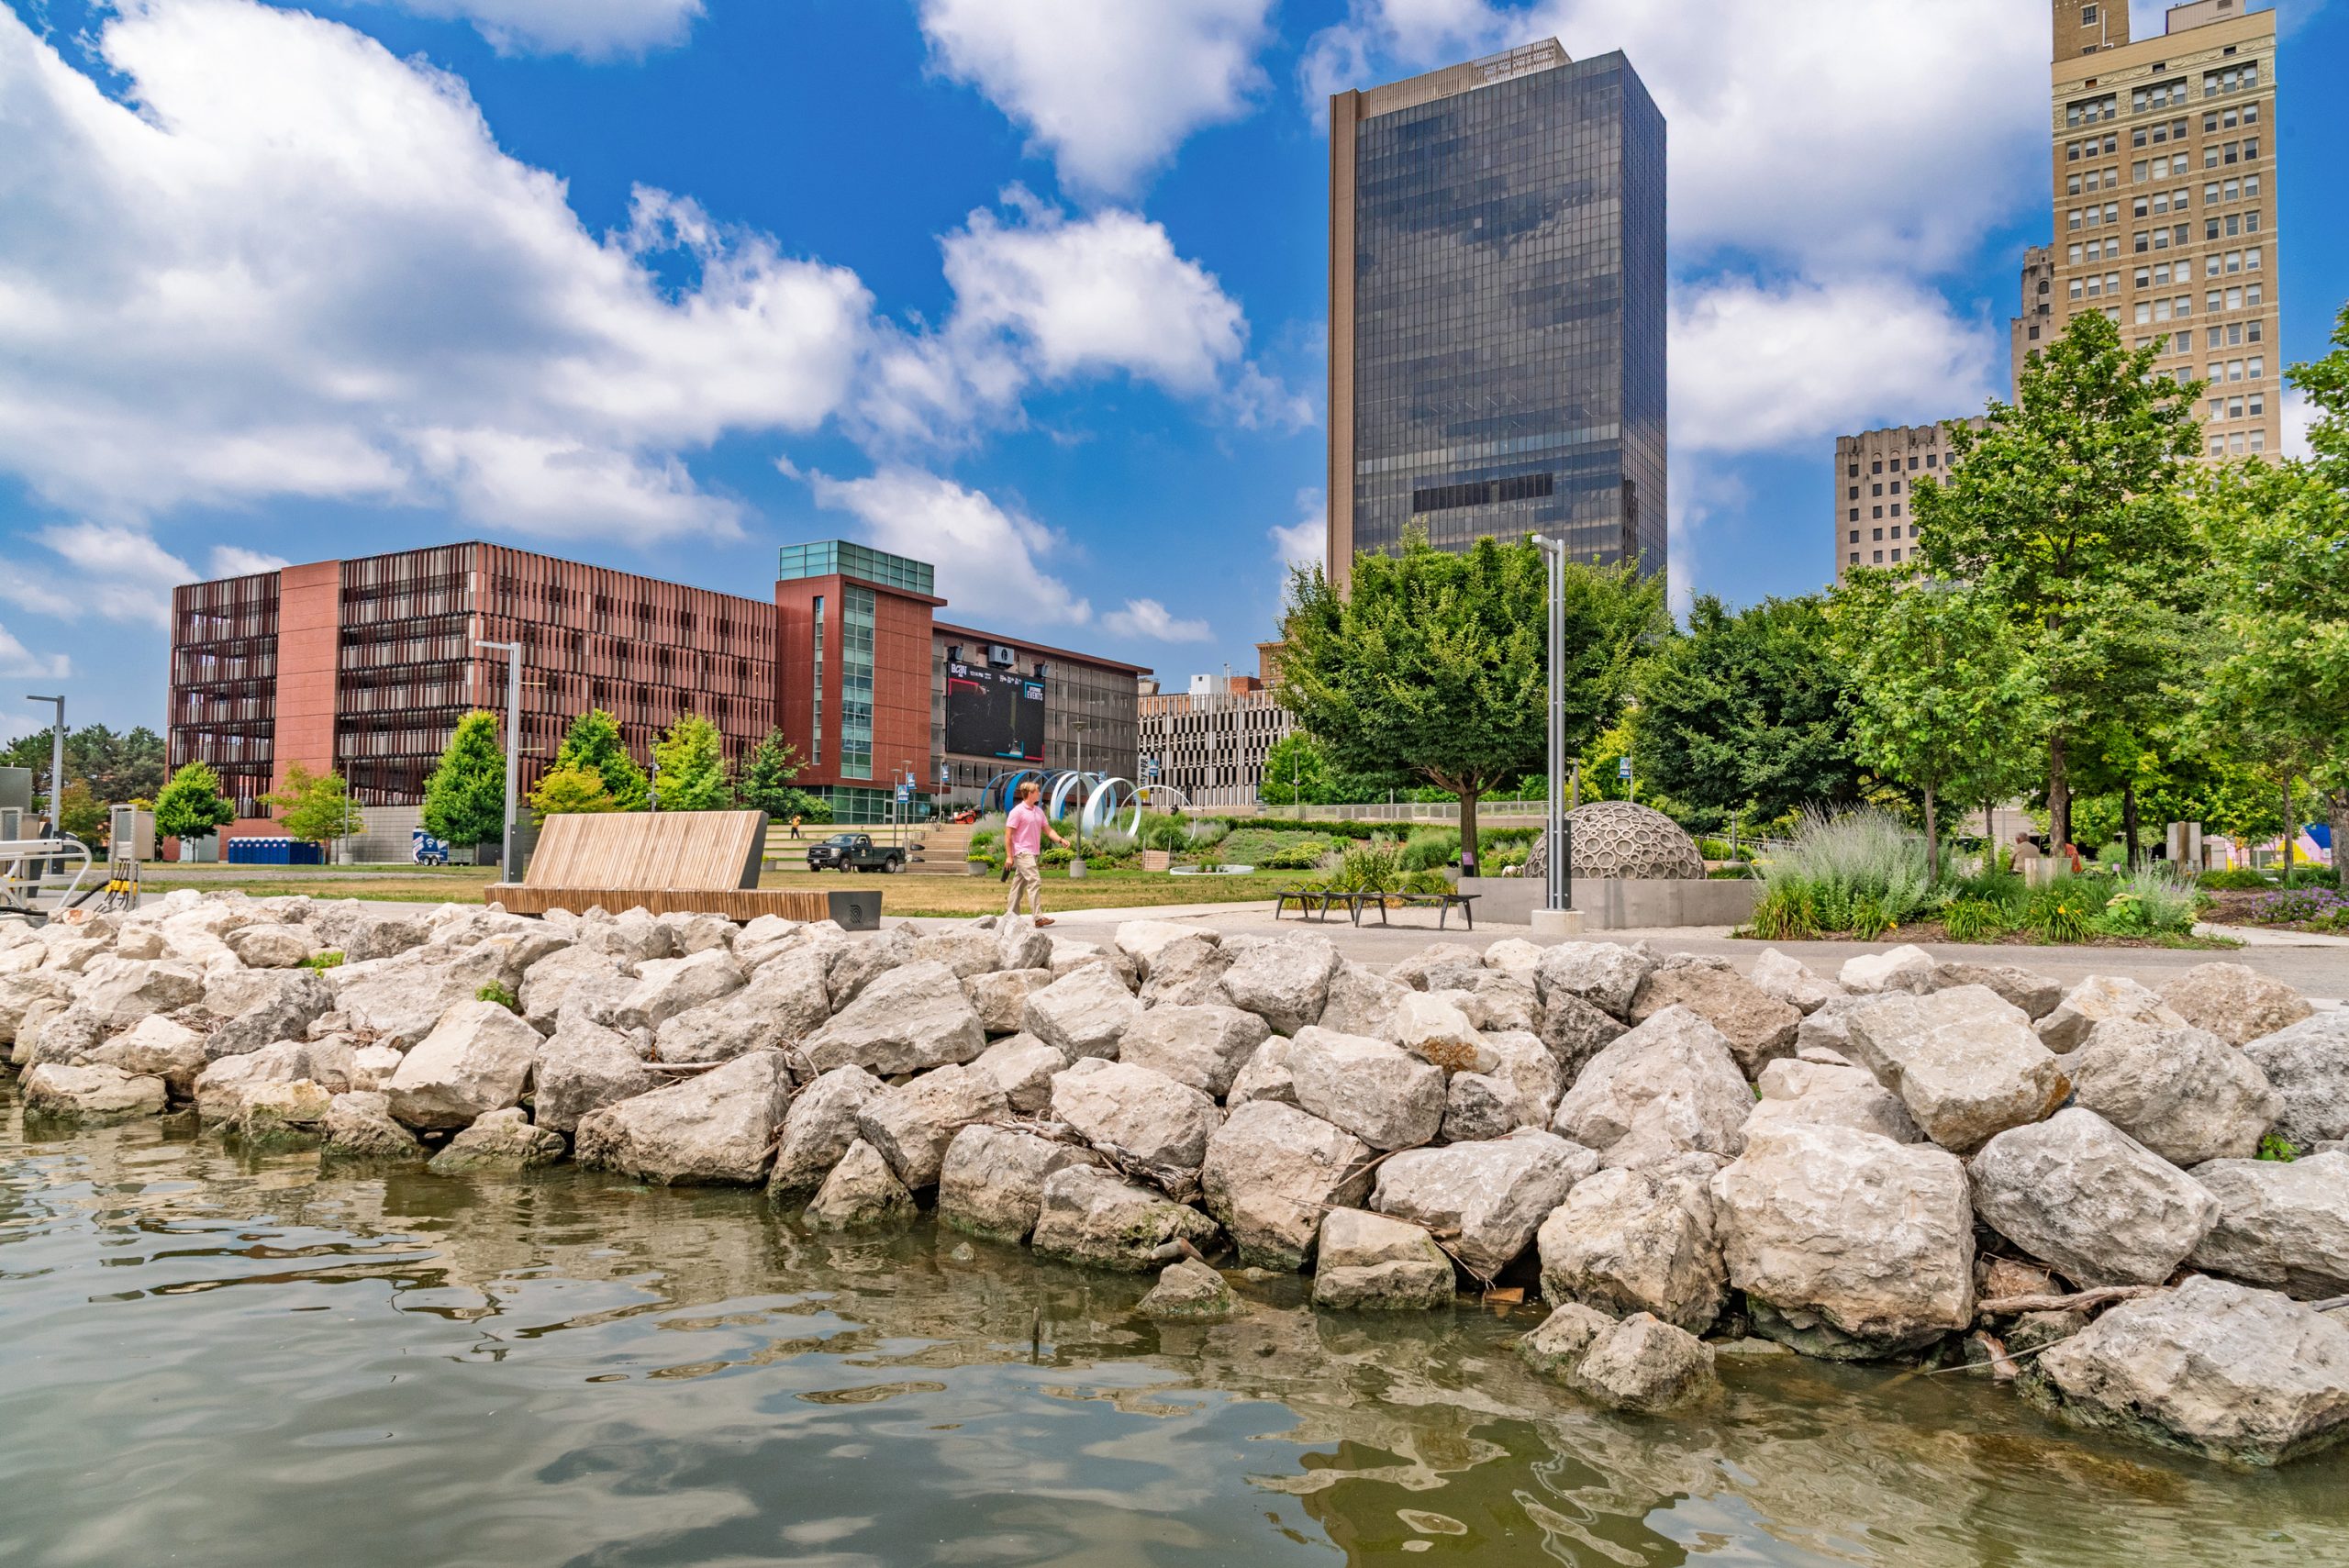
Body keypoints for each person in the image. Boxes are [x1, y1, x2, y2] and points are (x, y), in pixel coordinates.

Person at [1005, 778, 1069, 925]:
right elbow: (1008, 835)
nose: (1040, 793)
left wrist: (1060, 839)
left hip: (1033, 853)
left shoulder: (1038, 811)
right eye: (1037, 791)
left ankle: (1011, 916)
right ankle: (1038, 917)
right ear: (1030, 793)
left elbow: (1047, 829)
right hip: (1022, 852)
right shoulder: (1017, 812)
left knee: (1018, 885)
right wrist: (1009, 856)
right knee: (1034, 880)